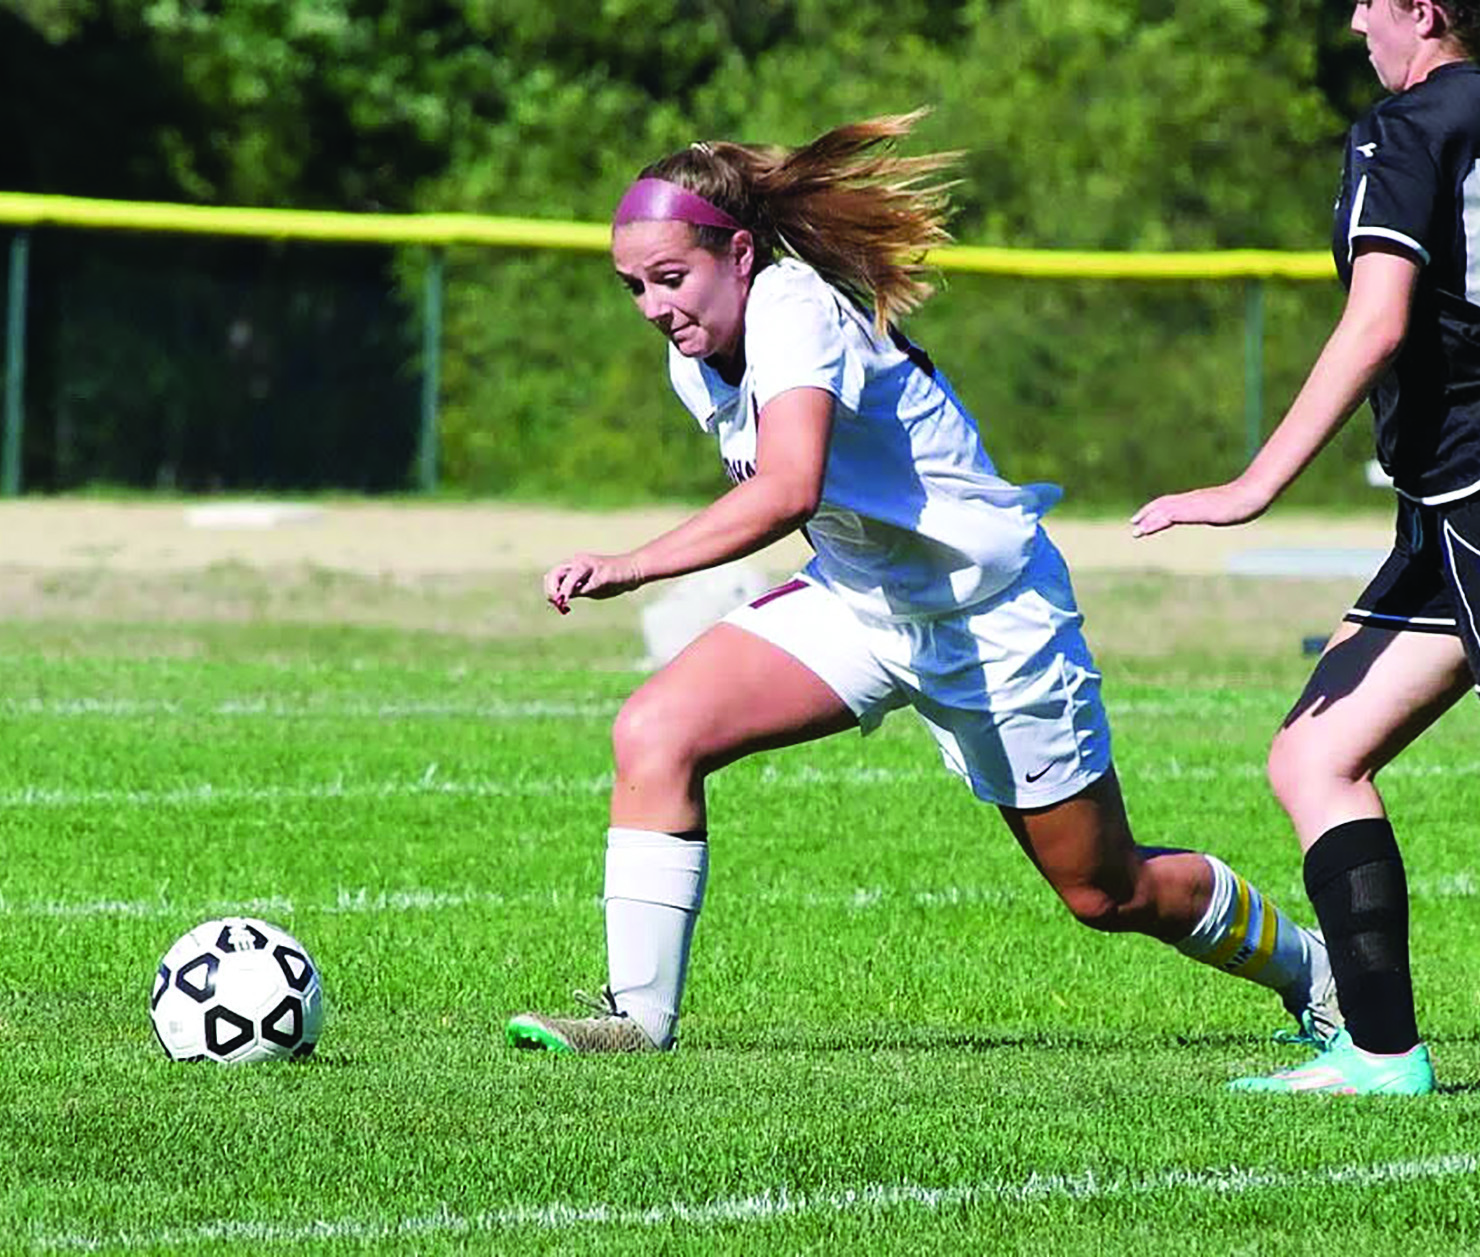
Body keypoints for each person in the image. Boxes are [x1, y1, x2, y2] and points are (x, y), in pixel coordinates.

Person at [503, 113, 1337, 1059]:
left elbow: (788, 488)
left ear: (739, 254)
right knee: (654, 731)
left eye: (669, 278)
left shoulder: (790, 308)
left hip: (990, 617)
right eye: (633, 288)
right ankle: (636, 1020)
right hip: (858, 604)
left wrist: (631, 561)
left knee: (1104, 891)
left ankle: (1318, 974)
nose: (654, 306)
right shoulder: (694, 350)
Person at [1133, 0, 1480, 1095]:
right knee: (1312, 757)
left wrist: (1249, 487)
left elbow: (1375, 321)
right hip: (1468, 505)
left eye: (1368, 0)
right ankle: (1381, 1057)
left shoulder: (1397, 131)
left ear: (1423, 9)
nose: (1354, 20)